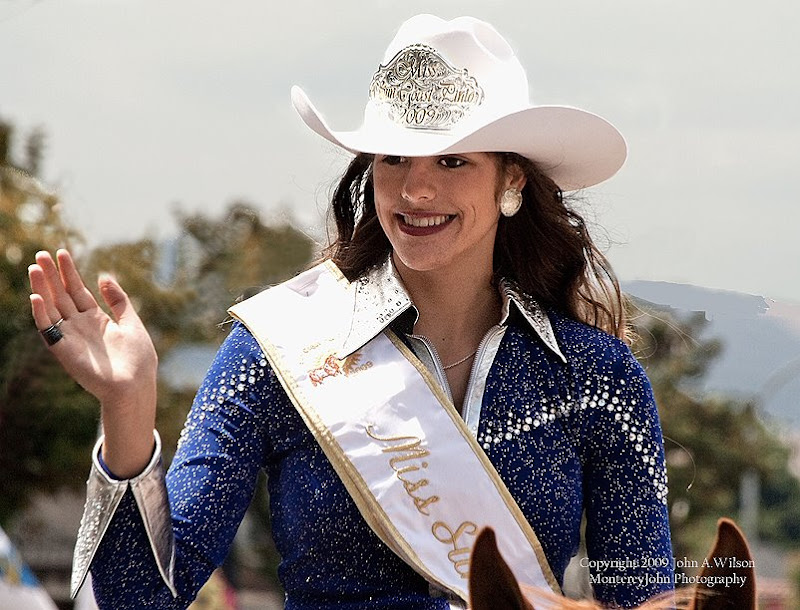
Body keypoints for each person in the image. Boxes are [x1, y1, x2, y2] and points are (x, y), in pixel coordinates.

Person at [28, 14, 673, 610]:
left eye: (453, 161)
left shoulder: (597, 377)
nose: (417, 189)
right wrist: (128, 405)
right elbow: (134, 600)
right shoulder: (275, 351)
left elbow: (641, 597)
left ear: (511, 181)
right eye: (394, 157)